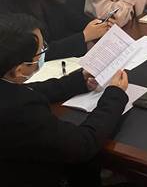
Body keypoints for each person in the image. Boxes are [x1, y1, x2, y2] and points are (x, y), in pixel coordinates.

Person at [0, 13, 129, 187]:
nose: (44, 52)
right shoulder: (21, 112)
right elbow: (82, 144)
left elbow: (32, 89)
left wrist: (79, 80)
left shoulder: (7, 83)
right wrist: (115, 95)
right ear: (19, 70)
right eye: (41, 51)